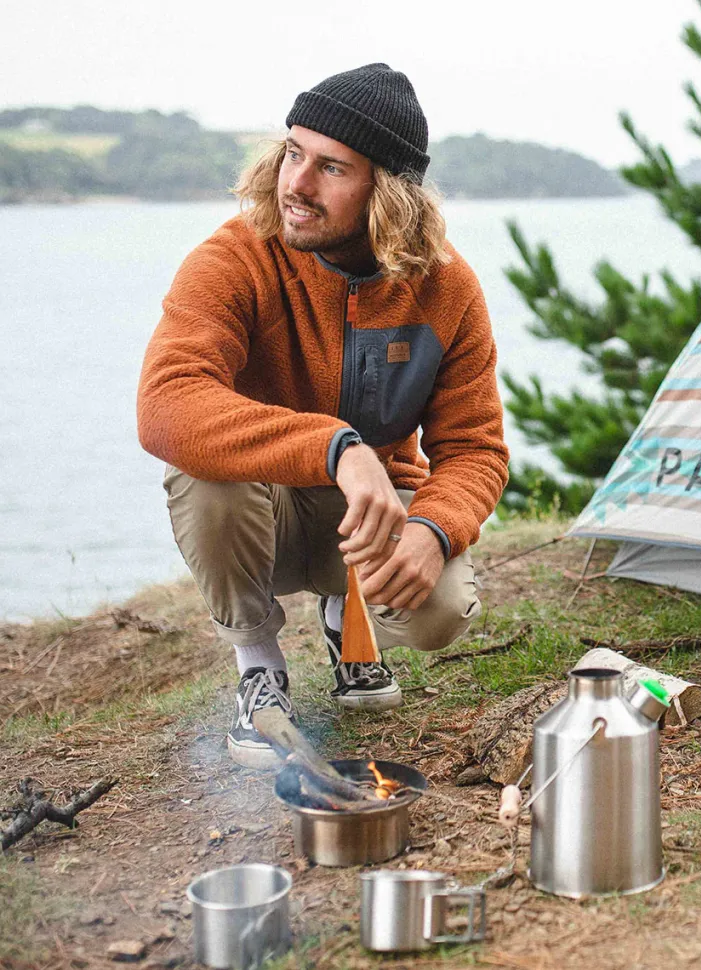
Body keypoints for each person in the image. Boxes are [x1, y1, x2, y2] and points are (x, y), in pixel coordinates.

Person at [137, 63, 509, 768]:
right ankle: (259, 667)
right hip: (262, 513)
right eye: (293, 153)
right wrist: (336, 447)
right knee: (202, 471)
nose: (296, 184)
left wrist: (434, 530)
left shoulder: (447, 287)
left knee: (441, 609)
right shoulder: (233, 258)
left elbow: (475, 448)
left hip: (368, 522)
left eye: (331, 167)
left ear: (387, 192)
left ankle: (350, 624)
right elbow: (166, 402)